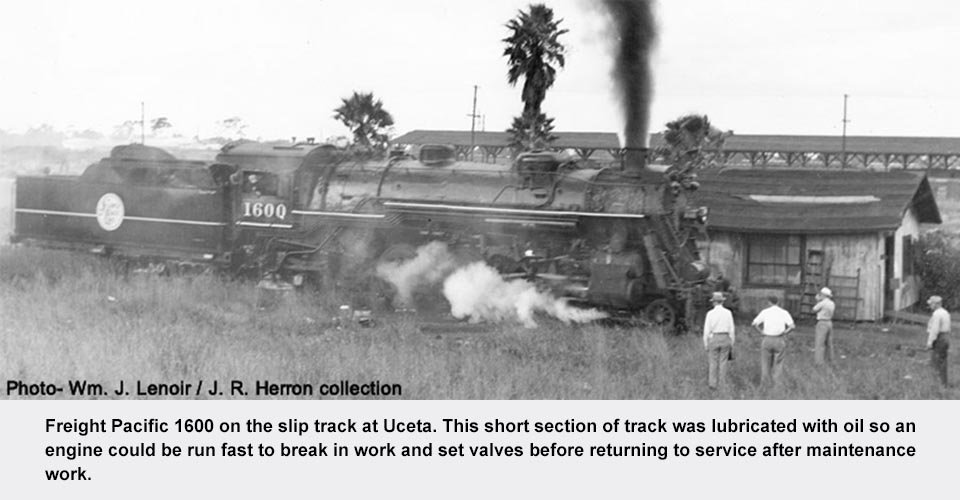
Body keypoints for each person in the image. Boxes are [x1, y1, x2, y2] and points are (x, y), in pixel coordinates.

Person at [752, 296, 795, 386]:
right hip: (779, 338)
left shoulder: (765, 312)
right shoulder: (784, 312)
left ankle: (765, 383)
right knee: (778, 363)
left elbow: (754, 324)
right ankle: (777, 384)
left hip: (767, 338)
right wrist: (785, 332)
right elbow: (792, 326)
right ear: (778, 302)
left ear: (769, 302)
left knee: (765, 363)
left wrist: (761, 332)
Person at [703, 291, 735, 390]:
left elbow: (706, 330)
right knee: (723, 362)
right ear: (722, 302)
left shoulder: (710, 314)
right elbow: (731, 329)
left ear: (714, 302)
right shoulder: (728, 313)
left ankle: (712, 384)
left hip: (714, 337)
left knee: (713, 362)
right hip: (725, 338)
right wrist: (732, 342)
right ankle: (722, 384)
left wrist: (706, 343)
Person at [925, 295, 950, 387]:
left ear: (936, 304)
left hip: (939, 338)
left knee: (936, 361)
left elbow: (934, 330)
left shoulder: (937, 314)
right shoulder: (945, 312)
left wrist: (930, 343)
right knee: (943, 361)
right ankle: (943, 383)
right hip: (946, 337)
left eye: (931, 304)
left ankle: (938, 384)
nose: (930, 305)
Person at [812, 287, 836, 365]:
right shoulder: (832, 303)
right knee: (829, 343)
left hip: (822, 322)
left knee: (820, 343)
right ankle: (830, 360)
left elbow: (814, 309)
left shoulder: (822, 303)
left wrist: (817, 300)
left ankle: (819, 362)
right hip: (829, 322)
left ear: (823, 295)